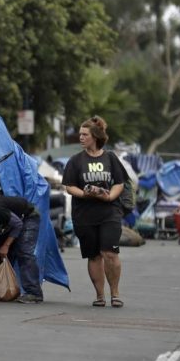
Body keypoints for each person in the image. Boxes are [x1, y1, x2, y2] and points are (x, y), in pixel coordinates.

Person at [61, 116, 128, 308]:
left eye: (85, 135)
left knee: (110, 253)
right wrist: (85, 193)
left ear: (95, 136)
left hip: (109, 213)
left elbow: (119, 183)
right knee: (94, 256)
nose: (81, 138)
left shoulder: (110, 158)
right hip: (84, 215)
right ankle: (100, 295)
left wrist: (108, 196)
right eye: (80, 134)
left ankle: (115, 293)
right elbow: (69, 186)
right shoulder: (75, 161)